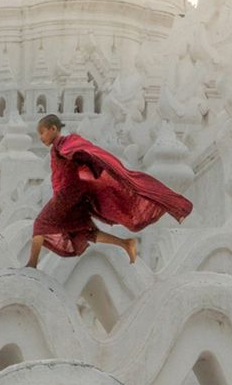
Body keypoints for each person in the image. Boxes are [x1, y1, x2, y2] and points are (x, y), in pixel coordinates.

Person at [27, 114, 193, 269]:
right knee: (85, 231)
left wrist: (81, 156)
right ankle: (126, 244)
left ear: (53, 129)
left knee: (40, 224)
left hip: (68, 194)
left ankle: (32, 265)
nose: (41, 137)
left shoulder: (63, 144)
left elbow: (78, 150)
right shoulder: (57, 148)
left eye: (42, 132)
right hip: (74, 194)